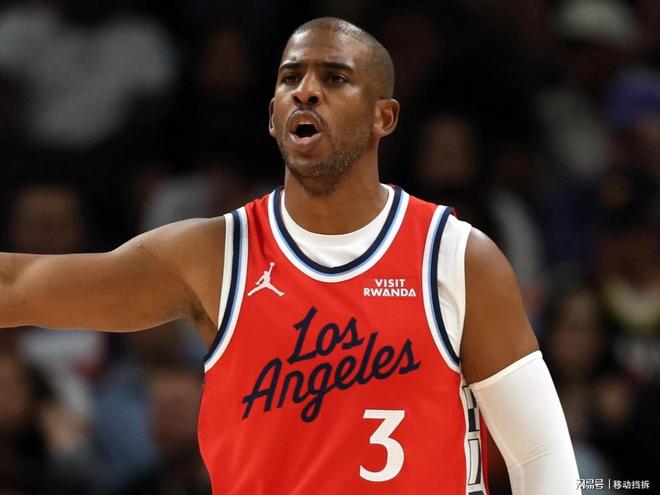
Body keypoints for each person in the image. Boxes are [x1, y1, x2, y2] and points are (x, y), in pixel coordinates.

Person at [0, 17, 580, 495]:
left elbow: (542, 455)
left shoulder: (456, 256)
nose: (306, 89)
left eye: (335, 77)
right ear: (274, 116)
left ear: (383, 117)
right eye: (290, 77)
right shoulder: (214, 255)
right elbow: (18, 285)